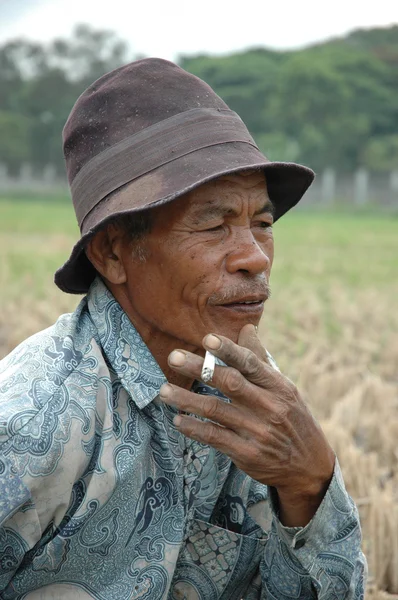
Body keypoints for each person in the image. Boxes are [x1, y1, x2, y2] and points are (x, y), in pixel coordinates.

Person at [0, 58, 366, 599]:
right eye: (213, 224)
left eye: (261, 224)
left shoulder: (249, 393)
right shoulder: (35, 424)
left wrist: (309, 483)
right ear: (113, 252)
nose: (254, 257)